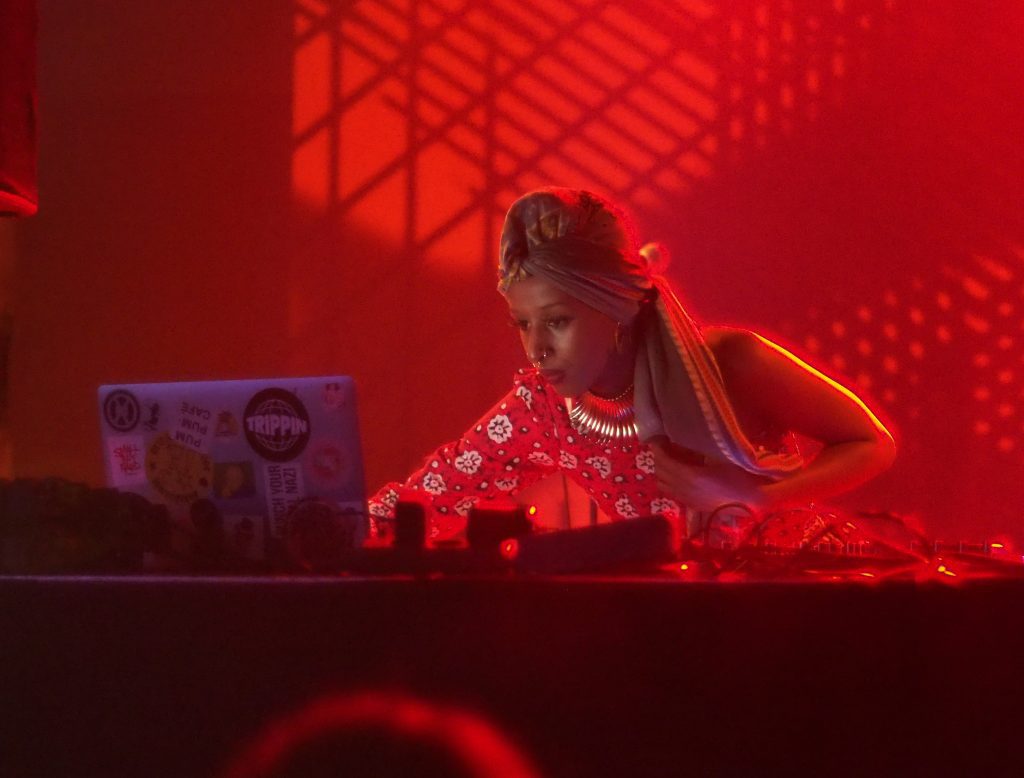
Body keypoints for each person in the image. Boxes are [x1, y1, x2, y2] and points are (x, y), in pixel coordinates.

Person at [368, 187, 895, 543]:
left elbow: (869, 442)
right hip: (693, 625)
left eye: (557, 321)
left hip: (813, 593)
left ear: (615, 309)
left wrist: (756, 497)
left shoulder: (728, 362)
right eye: (522, 324)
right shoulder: (546, 407)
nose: (536, 349)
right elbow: (434, 495)